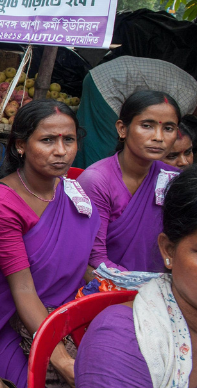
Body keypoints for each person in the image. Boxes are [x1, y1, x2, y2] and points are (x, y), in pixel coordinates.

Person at [0, 100, 99, 388]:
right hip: (14, 325)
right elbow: (24, 289)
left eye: (69, 140)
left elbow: (82, 266)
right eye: (47, 140)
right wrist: (61, 359)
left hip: (71, 317)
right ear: (20, 146)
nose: (61, 151)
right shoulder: (1, 203)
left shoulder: (71, 190)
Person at [74, 164, 197, 388]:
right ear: (169, 250)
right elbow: (93, 259)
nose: (157, 137)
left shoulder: (162, 175)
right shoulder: (121, 338)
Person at [79, 91, 182, 273]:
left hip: (162, 286)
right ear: (122, 128)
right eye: (147, 126)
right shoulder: (97, 180)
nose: (158, 137)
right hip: (108, 285)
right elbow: (95, 257)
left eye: (168, 128)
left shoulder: (173, 179)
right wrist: (139, 288)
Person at [75, 56, 197, 168]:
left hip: (103, 75)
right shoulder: (189, 98)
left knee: (90, 135)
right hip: (108, 83)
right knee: (106, 142)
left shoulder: (191, 87)